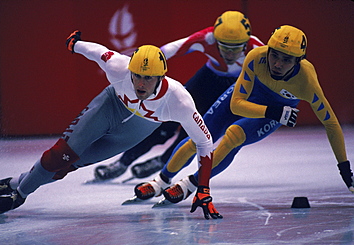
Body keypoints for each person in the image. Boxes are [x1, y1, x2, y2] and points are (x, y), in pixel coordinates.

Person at [0, 30, 222, 219]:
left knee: (68, 166)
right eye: (136, 75)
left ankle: (13, 183)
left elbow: (204, 143)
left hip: (138, 128)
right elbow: (98, 52)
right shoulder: (119, 66)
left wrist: (203, 188)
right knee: (61, 155)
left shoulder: (179, 100)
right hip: (109, 106)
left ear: (161, 78)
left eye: (148, 78)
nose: (140, 83)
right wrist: (74, 44)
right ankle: (19, 195)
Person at [132, 25, 353, 206]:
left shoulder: (306, 82)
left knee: (234, 136)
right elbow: (237, 105)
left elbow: (331, 123)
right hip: (251, 102)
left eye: (286, 60)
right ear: (267, 50)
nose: (277, 64)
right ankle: (161, 181)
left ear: (299, 61)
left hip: (269, 113)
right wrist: (274, 111)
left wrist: (344, 167)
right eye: (274, 55)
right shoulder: (256, 57)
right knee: (199, 137)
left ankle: (189, 185)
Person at [94, 10, 264, 181]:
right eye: (224, 47)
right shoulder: (206, 38)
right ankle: (123, 162)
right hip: (207, 80)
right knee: (165, 121)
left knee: (195, 132)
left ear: (246, 43)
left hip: (235, 88)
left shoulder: (258, 50)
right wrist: (136, 67)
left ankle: (163, 162)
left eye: (235, 49)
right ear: (215, 40)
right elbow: (168, 50)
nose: (229, 54)